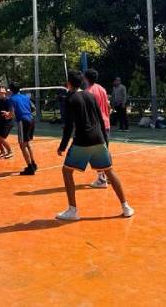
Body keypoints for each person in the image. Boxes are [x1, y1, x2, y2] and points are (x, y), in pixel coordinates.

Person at [56, 70, 134, 221]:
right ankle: (126, 207)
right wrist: (104, 140)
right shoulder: (90, 96)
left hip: (82, 140)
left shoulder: (70, 99)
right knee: (109, 171)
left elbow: (68, 126)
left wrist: (62, 146)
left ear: (69, 84)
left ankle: (73, 210)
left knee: (66, 172)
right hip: (98, 138)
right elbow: (99, 117)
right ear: (82, 82)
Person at [84, 69, 112, 188]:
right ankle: (109, 176)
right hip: (106, 123)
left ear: (86, 78)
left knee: (96, 153)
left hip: (96, 125)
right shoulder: (102, 89)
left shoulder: (87, 92)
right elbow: (108, 106)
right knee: (105, 151)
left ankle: (101, 179)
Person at [8, 82, 37, 175]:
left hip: (23, 121)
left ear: (11, 90)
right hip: (31, 120)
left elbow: (12, 115)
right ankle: (33, 164)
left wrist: (7, 115)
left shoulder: (11, 99)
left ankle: (30, 168)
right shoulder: (25, 97)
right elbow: (33, 109)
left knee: (22, 145)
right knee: (27, 143)